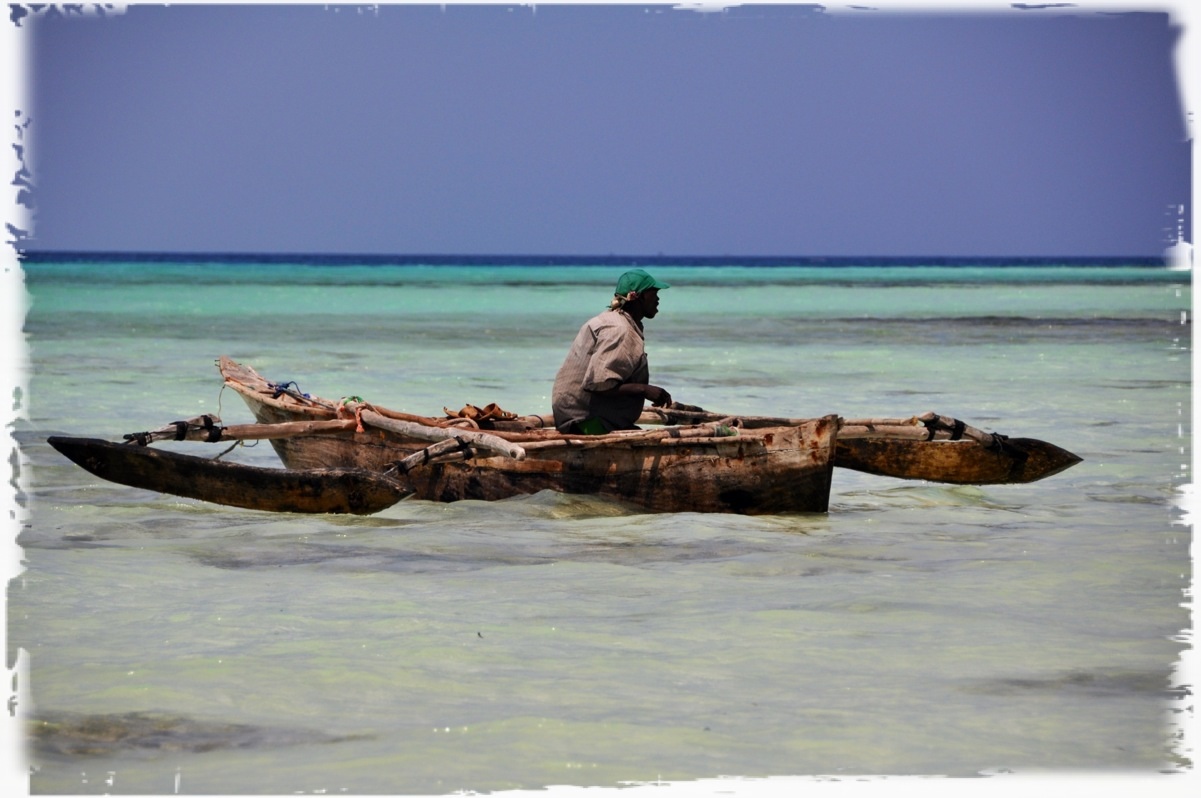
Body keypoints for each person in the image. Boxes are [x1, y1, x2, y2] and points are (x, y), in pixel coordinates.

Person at [551, 269, 675, 434]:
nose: (658, 299)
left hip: (578, 415)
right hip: (584, 422)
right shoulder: (619, 329)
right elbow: (599, 384)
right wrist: (644, 390)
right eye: (654, 293)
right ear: (639, 296)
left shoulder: (616, 319)